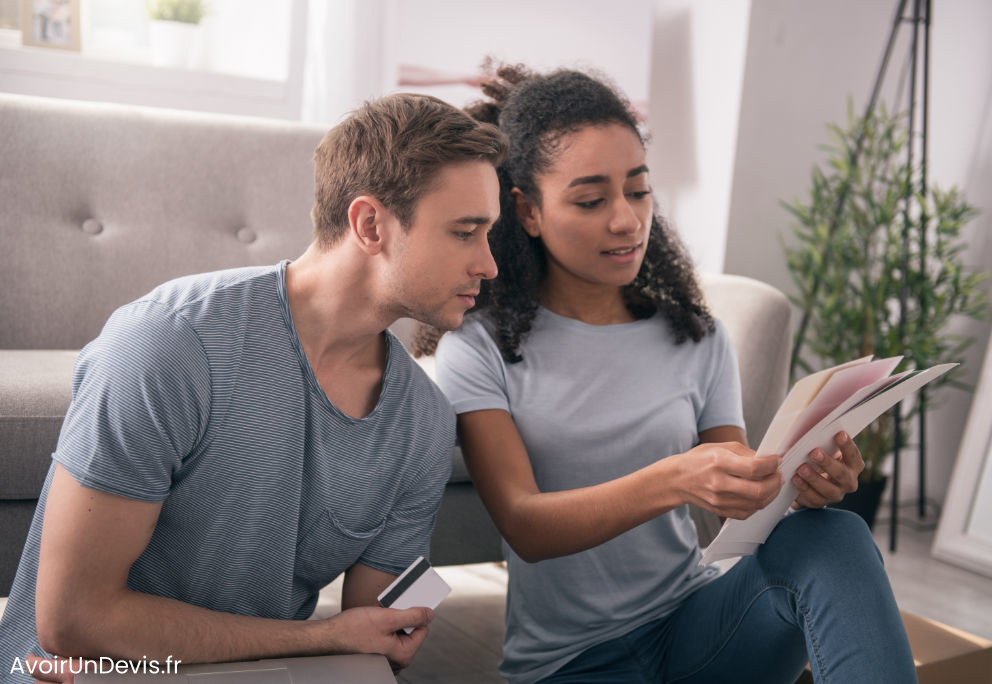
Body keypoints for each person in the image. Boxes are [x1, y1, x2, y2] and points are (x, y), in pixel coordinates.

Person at [420, 65, 917, 683]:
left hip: (698, 631)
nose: (627, 220)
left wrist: (803, 483)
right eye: (591, 199)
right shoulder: (481, 346)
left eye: (638, 189)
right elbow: (525, 525)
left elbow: (741, 505)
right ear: (527, 212)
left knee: (834, 537)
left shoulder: (697, 337)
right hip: (570, 666)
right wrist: (676, 478)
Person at [0, 93, 507, 684]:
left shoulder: (422, 419)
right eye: (466, 232)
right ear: (371, 225)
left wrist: (378, 637)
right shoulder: (171, 343)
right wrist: (318, 640)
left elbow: (375, 634)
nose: (489, 264)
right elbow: (75, 621)